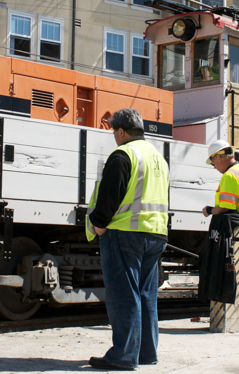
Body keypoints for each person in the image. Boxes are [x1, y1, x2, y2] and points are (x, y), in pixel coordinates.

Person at [85, 108, 169, 371]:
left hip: (125, 233)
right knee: (146, 295)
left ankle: (123, 356)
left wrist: (98, 225)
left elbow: (110, 194)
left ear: (121, 131)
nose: (113, 136)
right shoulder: (158, 158)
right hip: (156, 234)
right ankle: (145, 353)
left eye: (113, 131)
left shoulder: (124, 154)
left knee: (123, 295)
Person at [201, 139, 239, 331]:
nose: (214, 166)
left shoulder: (229, 176)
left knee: (234, 275)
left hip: (237, 235)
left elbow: (226, 207)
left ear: (219, 157)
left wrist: (209, 209)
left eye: (213, 162)